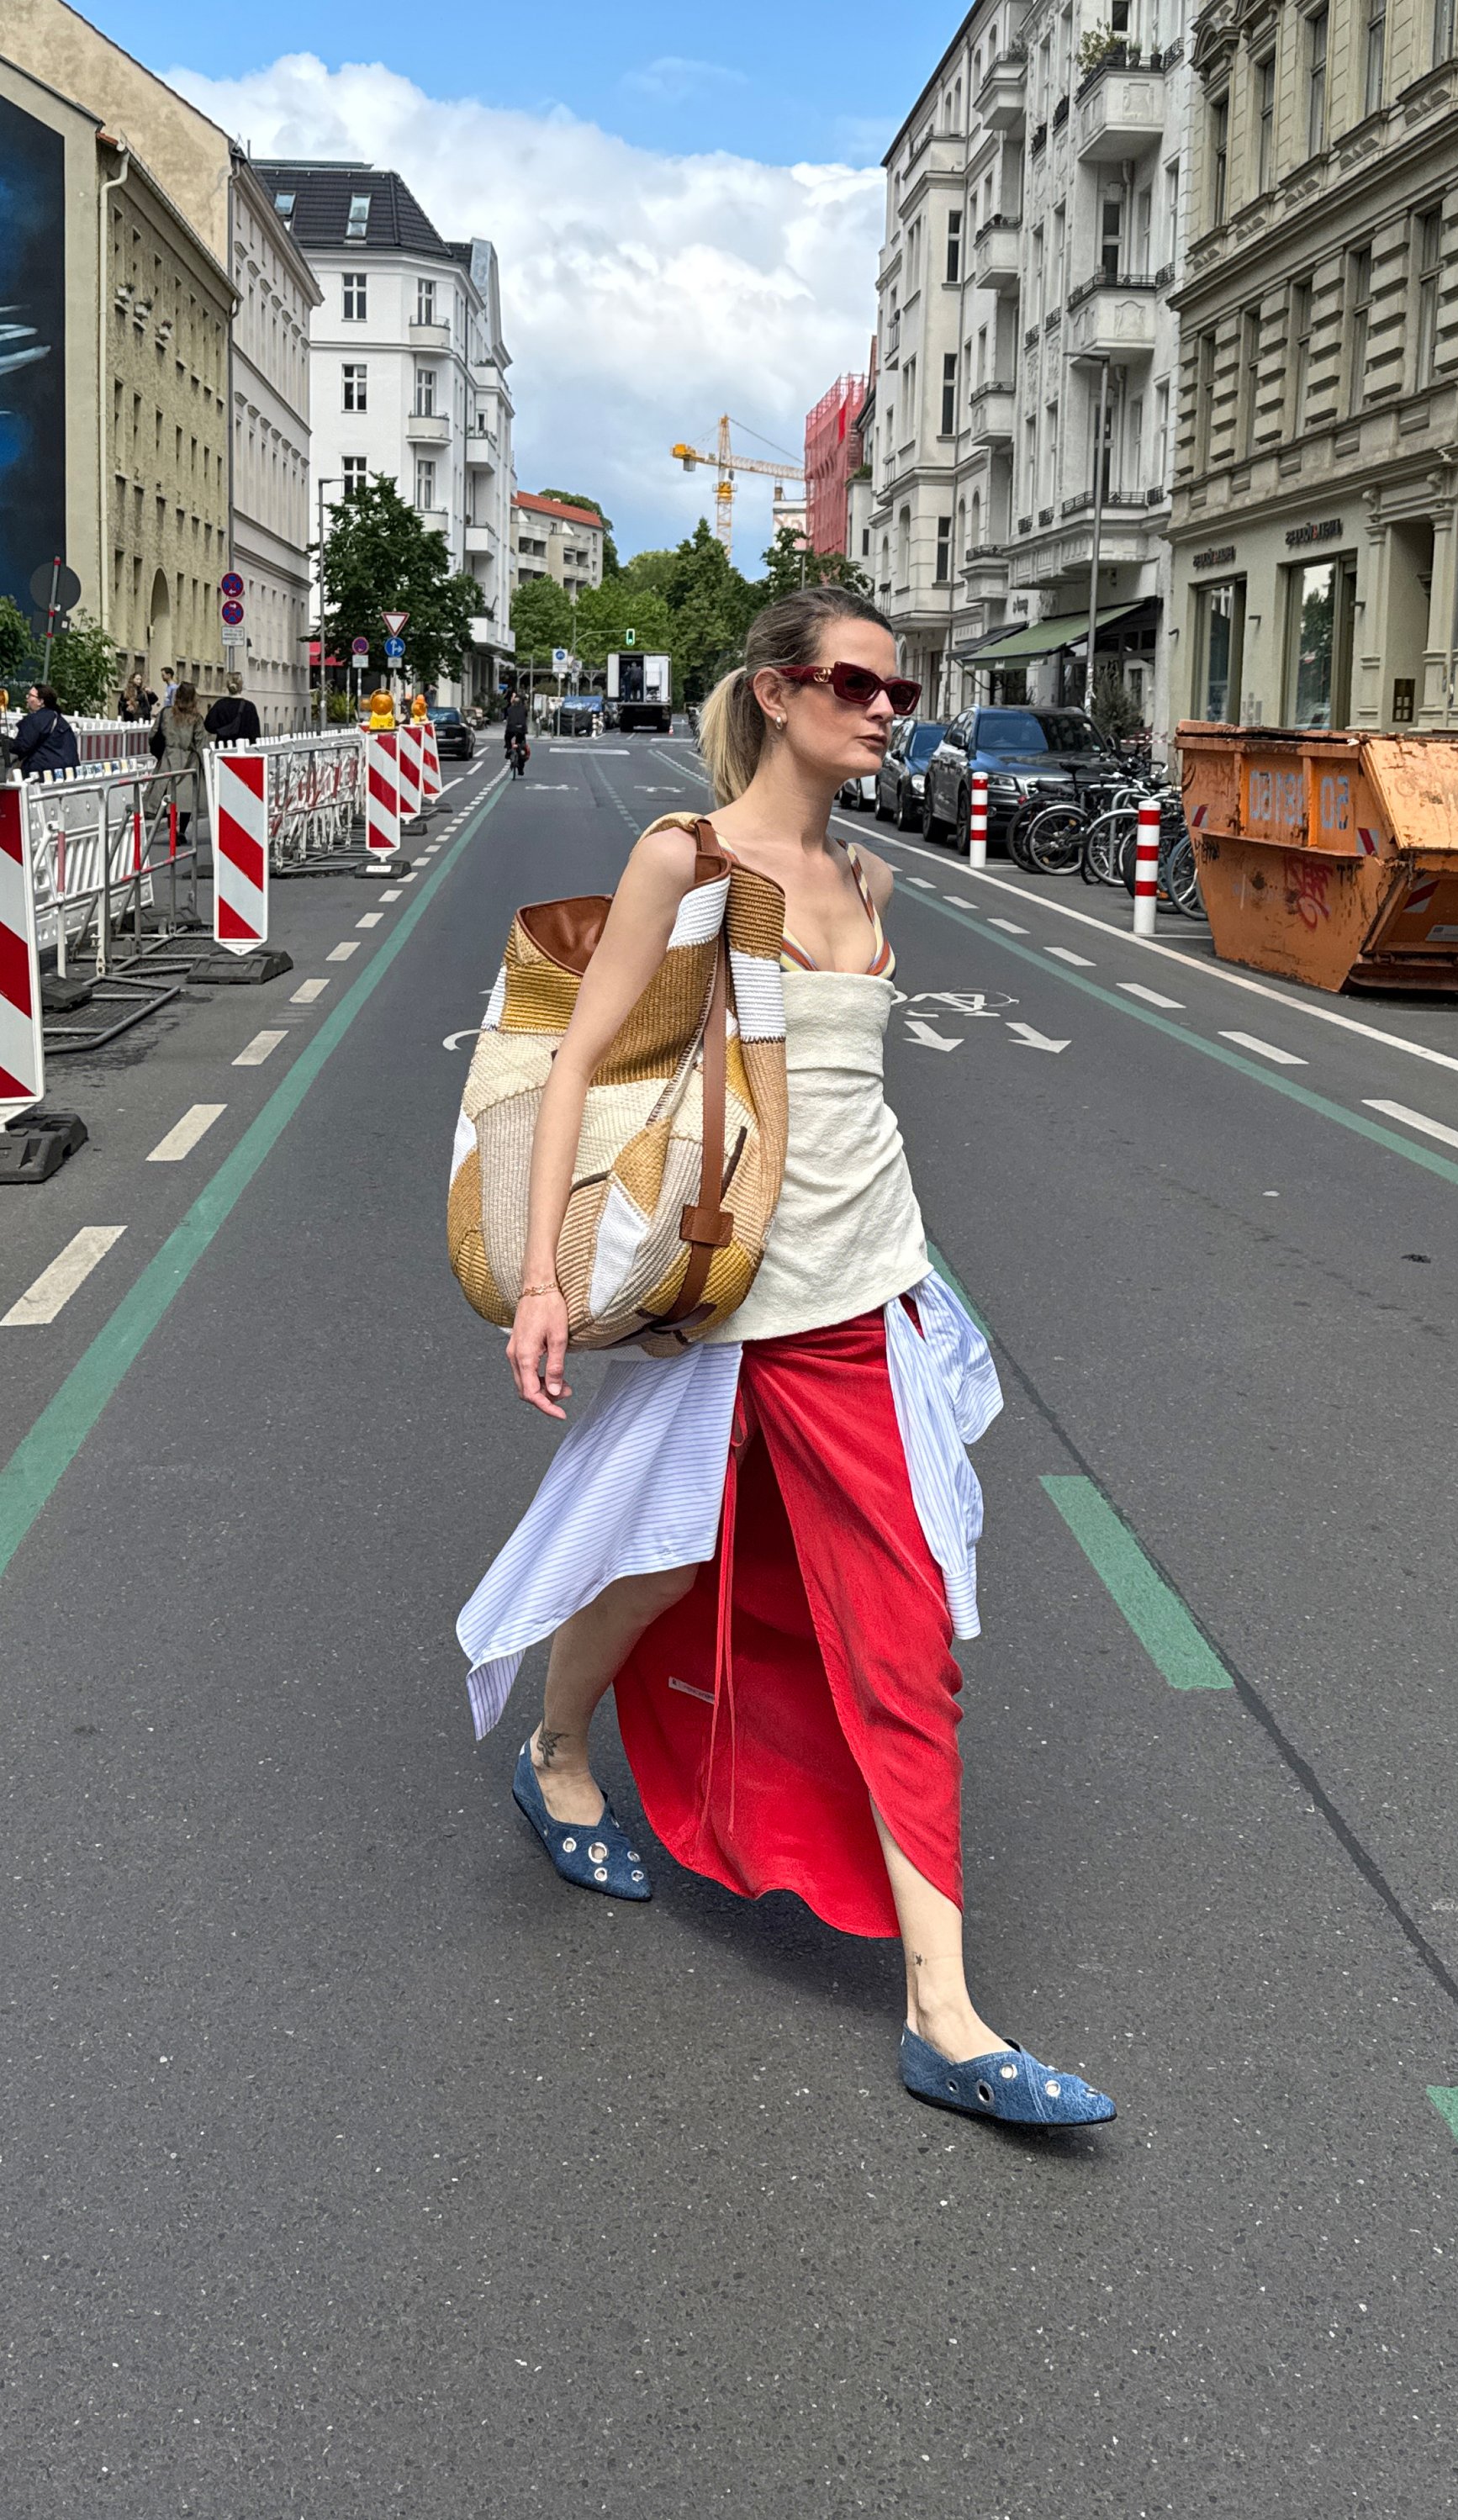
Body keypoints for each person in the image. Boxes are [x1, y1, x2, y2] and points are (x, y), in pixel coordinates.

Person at [459, 586, 1115, 2132]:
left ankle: (942, 2015)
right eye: (854, 683)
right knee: (654, 1564)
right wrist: (548, 1276)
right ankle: (559, 1748)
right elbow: (579, 1060)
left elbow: (857, 1114)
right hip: (725, 1309)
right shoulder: (686, 859)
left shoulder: (872, 878)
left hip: (860, 1308)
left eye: (895, 689)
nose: (886, 709)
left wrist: (919, 1285)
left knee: (902, 1642)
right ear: (773, 692)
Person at [147, 682, 210, 837]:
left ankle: (172, 829)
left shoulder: (166, 714)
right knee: (186, 798)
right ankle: (181, 830)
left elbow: (153, 735)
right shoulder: (195, 718)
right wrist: (207, 764)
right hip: (189, 759)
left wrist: (159, 753)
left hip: (170, 756)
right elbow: (202, 743)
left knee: (170, 795)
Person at [13, 683, 78, 777]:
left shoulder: (34, 720)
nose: (27, 699)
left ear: (40, 701)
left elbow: (22, 747)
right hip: (67, 774)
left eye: (30, 695)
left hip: (41, 774)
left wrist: (6, 742)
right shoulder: (60, 720)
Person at [205, 673, 261, 745]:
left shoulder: (220, 704)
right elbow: (255, 734)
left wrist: (222, 730)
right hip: (245, 750)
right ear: (242, 686)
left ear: (228, 686)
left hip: (223, 749)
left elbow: (209, 726)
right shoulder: (249, 707)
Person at [503, 688, 529, 776]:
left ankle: (509, 749)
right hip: (521, 730)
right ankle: (520, 769)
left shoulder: (510, 709)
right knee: (522, 746)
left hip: (511, 729)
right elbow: (526, 716)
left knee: (507, 737)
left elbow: (507, 717)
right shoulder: (524, 709)